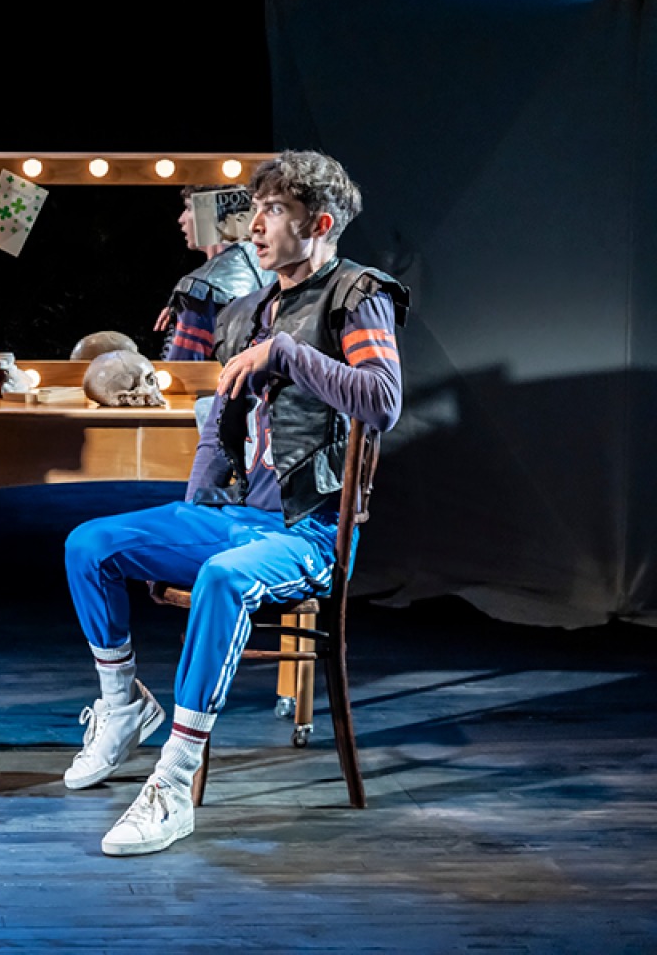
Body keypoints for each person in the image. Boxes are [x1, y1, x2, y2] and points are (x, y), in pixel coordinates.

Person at [62, 150, 409, 855]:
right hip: (232, 517)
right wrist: (197, 507)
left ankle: (172, 785)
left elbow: (383, 400)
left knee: (225, 579)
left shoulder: (355, 294)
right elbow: (219, 434)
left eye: (274, 210)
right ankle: (124, 703)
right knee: (89, 544)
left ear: (319, 222)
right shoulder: (246, 310)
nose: (255, 224)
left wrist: (287, 354)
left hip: (309, 530)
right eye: (255, 208)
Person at [153, 184, 275, 362]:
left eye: (188, 208)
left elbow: (184, 370)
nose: (181, 219)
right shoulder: (276, 274)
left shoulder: (201, 289)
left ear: (208, 212)